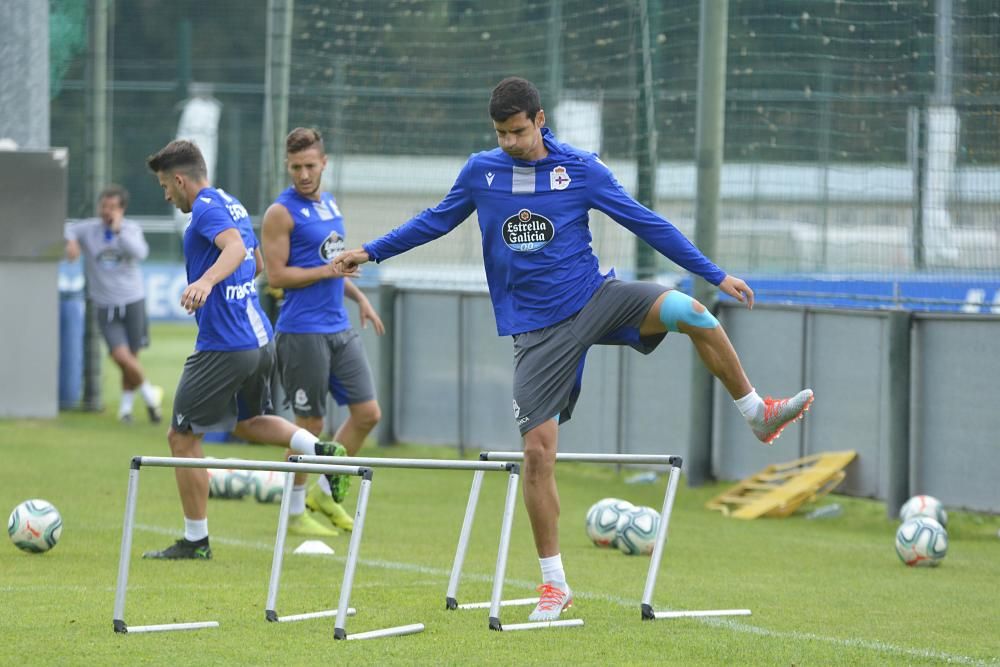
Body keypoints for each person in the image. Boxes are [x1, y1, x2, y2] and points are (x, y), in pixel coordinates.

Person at [334, 77, 815, 621]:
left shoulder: (579, 169)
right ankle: (554, 584)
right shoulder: (481, 172)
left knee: (692, 313)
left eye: (518, 131)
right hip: (537, 333)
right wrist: (370, 252)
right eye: (500, 133)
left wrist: (713, 273)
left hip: (596, 298)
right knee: (538, 456)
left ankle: (756, 411)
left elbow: (646, 223)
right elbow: (434, 221)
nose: (510, 142)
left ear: (540, 121)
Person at [142, 139, 348, 560]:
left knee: (181, 436)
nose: (166, 195)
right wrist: (230, 287)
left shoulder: (204, 208)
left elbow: (236, 249)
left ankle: (196, 540)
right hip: (258, 339)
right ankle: (318, 450)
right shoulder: (230, 202)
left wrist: (206, 282)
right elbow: (253, 260)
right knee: (247, 421)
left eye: (166, 186)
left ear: (180, 180)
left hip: (223, 344)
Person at [261, 127, 383, 537]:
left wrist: (358, 296)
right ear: (287, 166)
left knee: (367, 414)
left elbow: (334, 265)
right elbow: (277, 275)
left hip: (338, 325)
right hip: (302, 331)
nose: (303, 174)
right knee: (308, 426)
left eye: (310, 165)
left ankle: (325, 494)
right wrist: (329, 271)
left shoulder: (330, 204)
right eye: (296, 167)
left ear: (324, 163)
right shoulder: (281, 212)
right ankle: (294, 512)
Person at [65, 185, 163, 424]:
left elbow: (140, 253)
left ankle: (125, 410)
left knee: (132, 358)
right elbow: (67, 227)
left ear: (122, 209)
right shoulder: (89, 229)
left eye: (112, 207)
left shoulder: (130, 230)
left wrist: (118, 231)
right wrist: (71, 242)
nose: (106, 211)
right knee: (120, 356)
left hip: (133, 301)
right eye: (104, 206)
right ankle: (150, 396)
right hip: (104, 305)